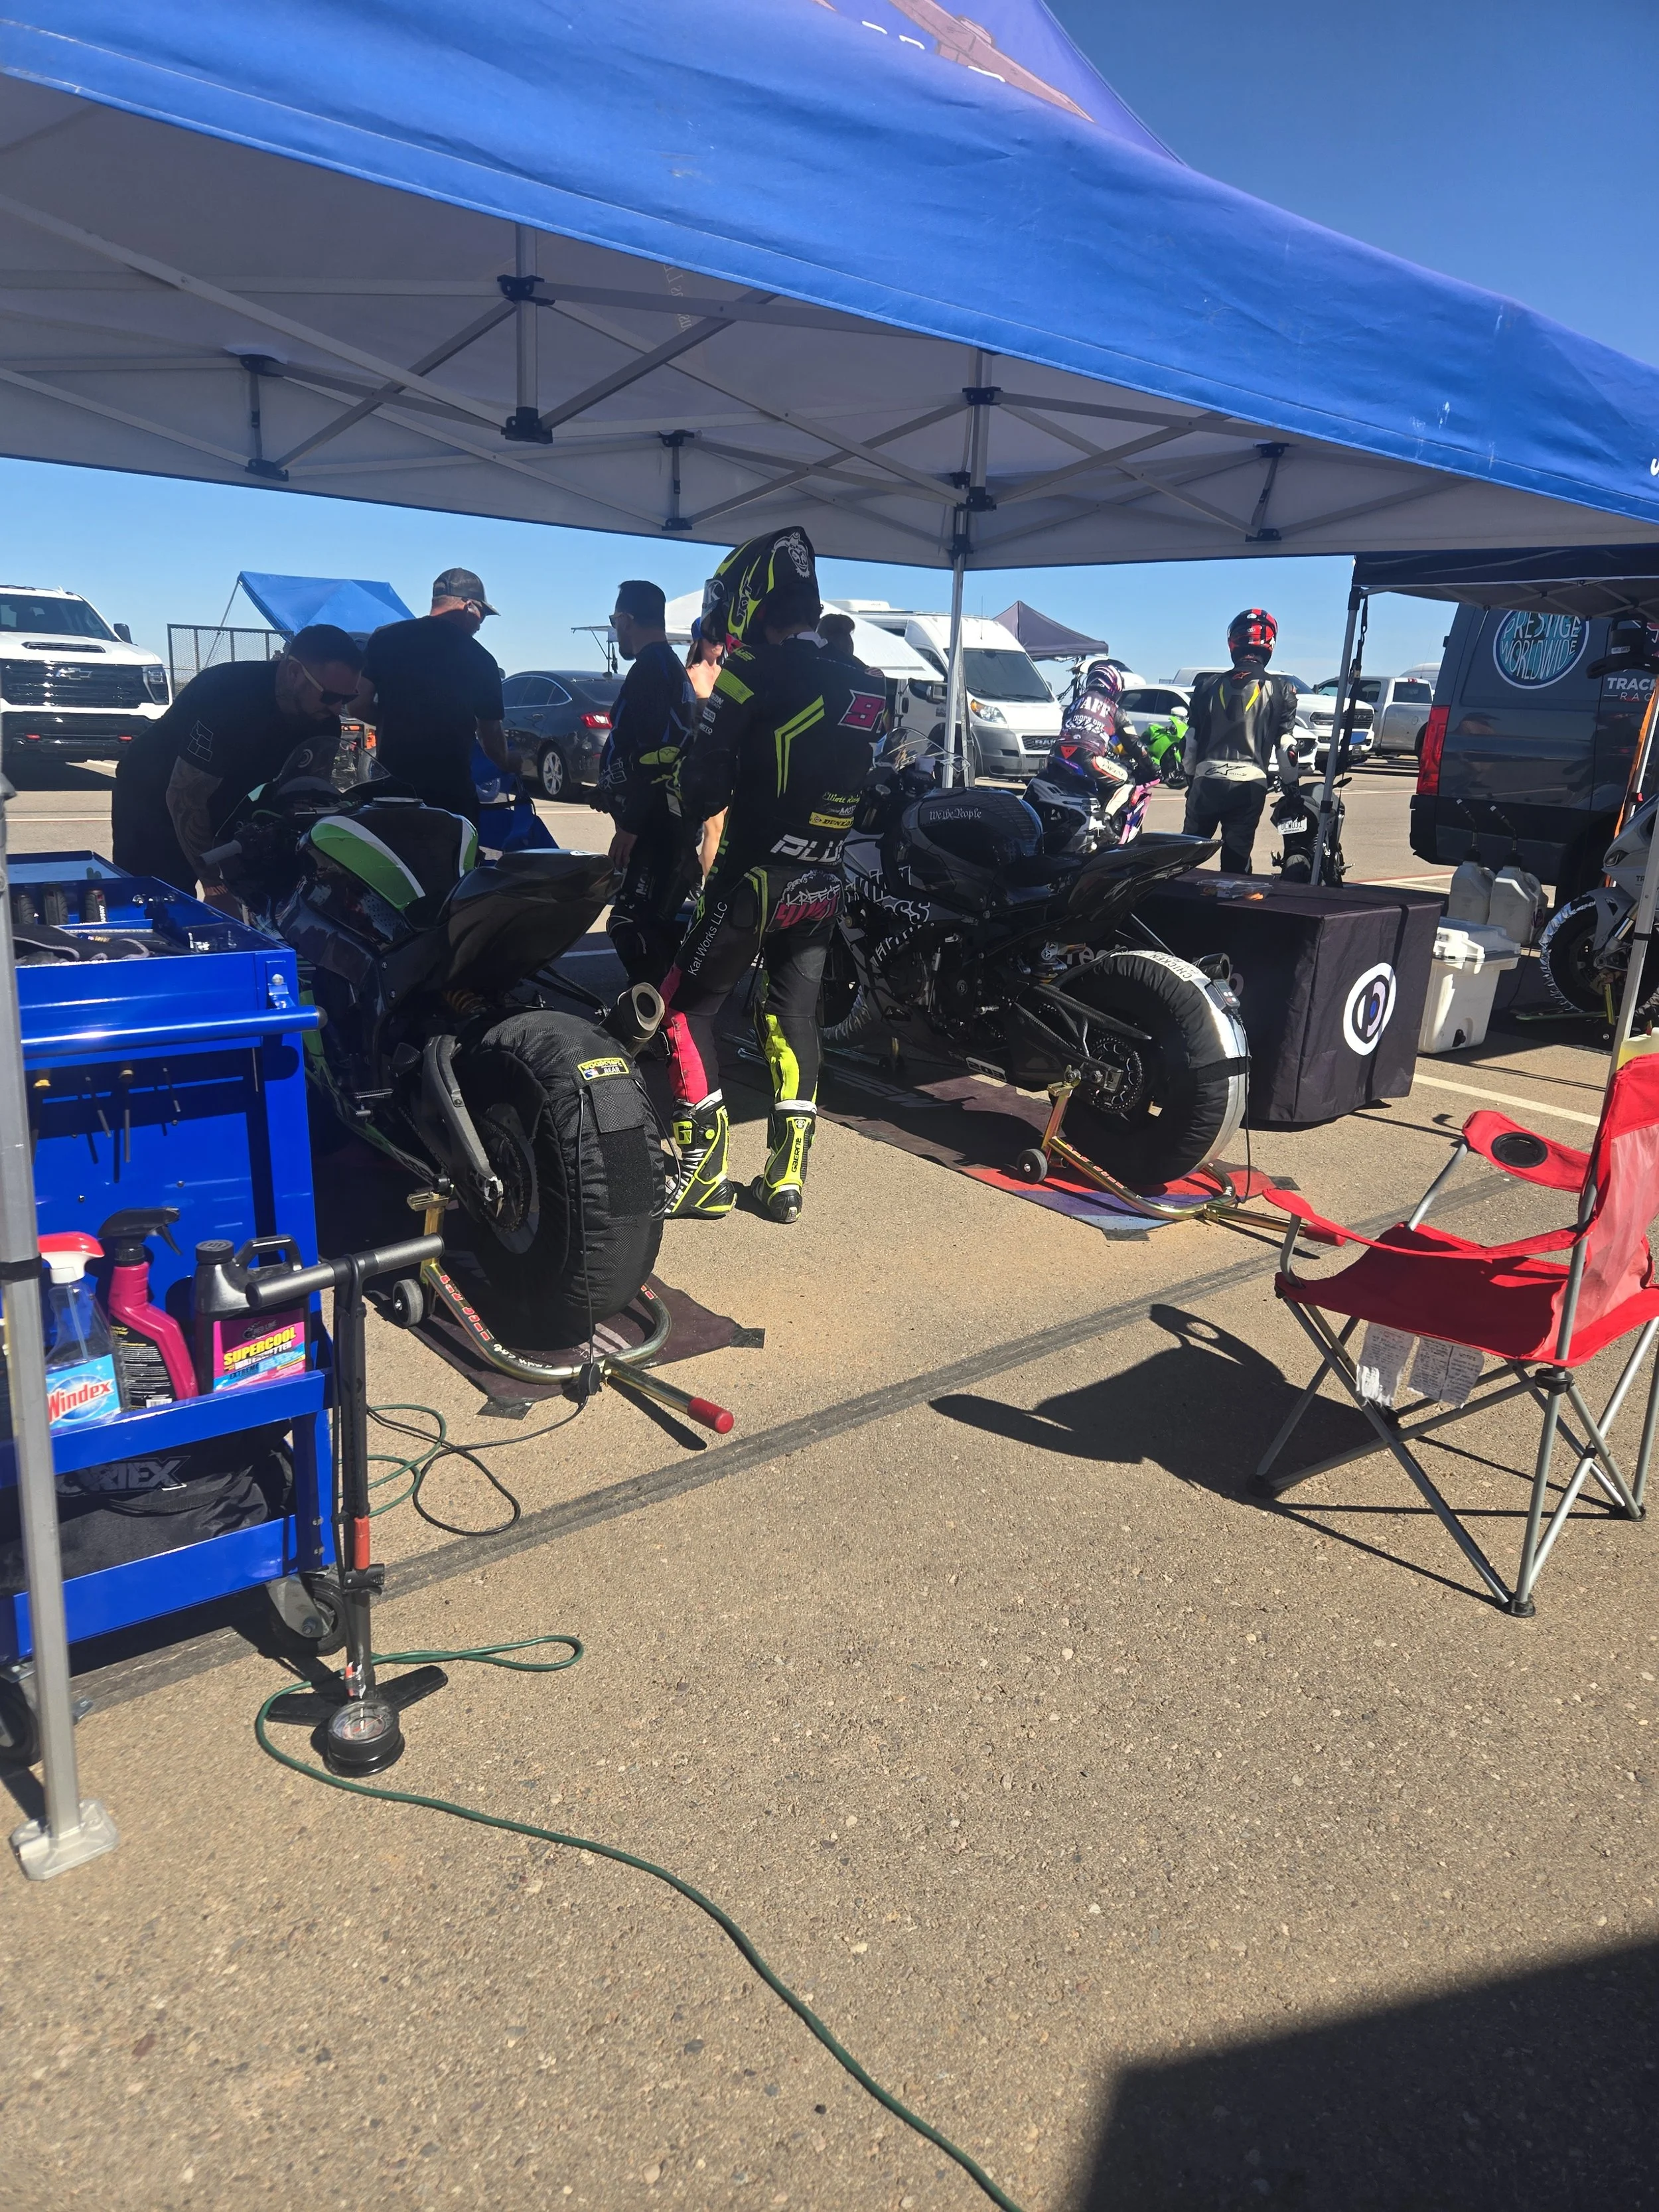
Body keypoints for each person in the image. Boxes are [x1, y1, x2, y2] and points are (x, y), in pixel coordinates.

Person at [660, 526, 887, 1226]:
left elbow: (694, 792)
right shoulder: (866, 679)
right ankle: (787, 1179)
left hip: (751, 878)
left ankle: (704, 1173)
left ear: (750, 598)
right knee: (792, 1017)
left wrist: (692, 737)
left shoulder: (749, 672)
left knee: (682, 1010)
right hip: (822, 877)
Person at [111, 623, 362, 904]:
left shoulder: (325, 723)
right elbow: (185, 795)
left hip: (231, 799)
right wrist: (214, 885)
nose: (336, 709)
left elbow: (305, 800)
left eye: (347, 698)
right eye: (329, 696)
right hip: (153, 794)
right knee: (158, 900)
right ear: (293, 672)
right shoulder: (228, 696)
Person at [592, 579, 699, 985]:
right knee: (655, 920)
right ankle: (668, 1015)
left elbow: (658, 758)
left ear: (625, 619)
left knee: (630, 923)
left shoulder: (651, 670)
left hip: (654, 826)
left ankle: (654, 1023)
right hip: (664, 820)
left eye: (615, 621)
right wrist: (611, 792)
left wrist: (631, 826)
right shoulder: (668, 667)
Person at [352, 568, 508, 821]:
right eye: (482, 614)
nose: (481, 623)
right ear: (468, 606)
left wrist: (396, 719)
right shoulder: (481, 659)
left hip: (393, 794)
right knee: (454, 859)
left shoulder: (384, 638)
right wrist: (510, 762)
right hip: (451, 796)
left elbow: (358, 706)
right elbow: (492, 741)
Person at [1180, 609, 1299, 873]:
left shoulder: (1206, 684)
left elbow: (1189, 742)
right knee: (1236, 859)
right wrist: (1292, 790)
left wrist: (1192, 780)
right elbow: (1286, 748)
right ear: (1270, 645)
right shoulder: (1282, 689)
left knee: (1185, 855)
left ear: (1233, 643)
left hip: (1206, 779)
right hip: (1250, 784)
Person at [685, 617, 727, 881]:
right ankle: (709, 888)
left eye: (722, 639)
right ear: (699, 640)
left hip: (726, 756)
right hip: (702, 760)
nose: (718, 645)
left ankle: (703, 880)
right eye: (713, 639)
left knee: (723, 830)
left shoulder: (727, 673)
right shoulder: (689, 674)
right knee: (715, 827)